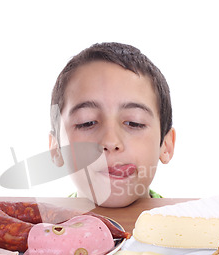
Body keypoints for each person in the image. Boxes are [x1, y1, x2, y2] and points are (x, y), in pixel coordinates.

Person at [49, 42, 176, 208]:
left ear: (166, 145)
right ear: (56, 149)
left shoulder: (191, 229)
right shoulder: (38, 229)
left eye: (134, 123)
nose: (110, 142)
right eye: (87, 123)